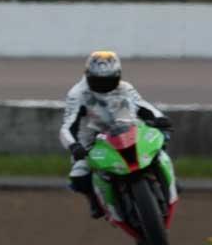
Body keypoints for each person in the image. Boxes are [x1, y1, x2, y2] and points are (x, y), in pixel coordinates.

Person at [60, 51, 172, 218]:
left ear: (118, 75)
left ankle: (168, 180)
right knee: (78, 176)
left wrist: (159, 118)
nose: (104, 85)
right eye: (98, 81)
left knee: (159, 139)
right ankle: (94, 200)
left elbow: (143, 106)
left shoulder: (125, 87)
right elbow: (67, 126)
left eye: (109, 80)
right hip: (93, 139)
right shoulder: (77, 94)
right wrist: (74, 146)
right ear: (88, 76)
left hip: (127, 129)